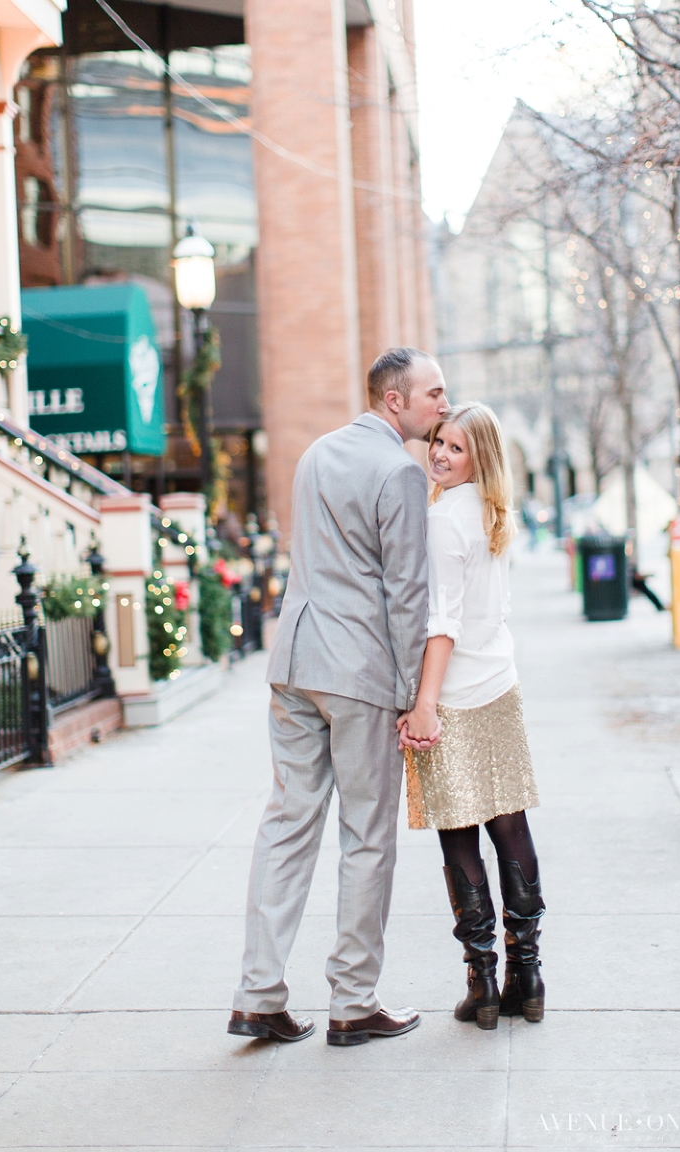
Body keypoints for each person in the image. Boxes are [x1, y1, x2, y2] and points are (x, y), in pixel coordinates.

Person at [228, 348, 450, 1048]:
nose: (443, 405)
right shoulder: (399, 472)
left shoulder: (317, 453)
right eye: (434, 394)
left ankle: (258, 994)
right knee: (367, 837)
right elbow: (407, 591)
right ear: (394, 400)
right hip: (358, 672)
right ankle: (354, 1001)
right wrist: (415, 694)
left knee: (287, 824)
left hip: (295, 661)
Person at [398, 402, 545, 1032]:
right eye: (438, 441)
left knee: (458, 831)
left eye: (455, 448)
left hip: (453, 693)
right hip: (500, 682)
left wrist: (424, 702)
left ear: (478, 456)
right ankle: (527, 976)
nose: (439, 453)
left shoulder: (443, 518)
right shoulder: (493, 511)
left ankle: (482, 981)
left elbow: (443, 621)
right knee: (509, 823)